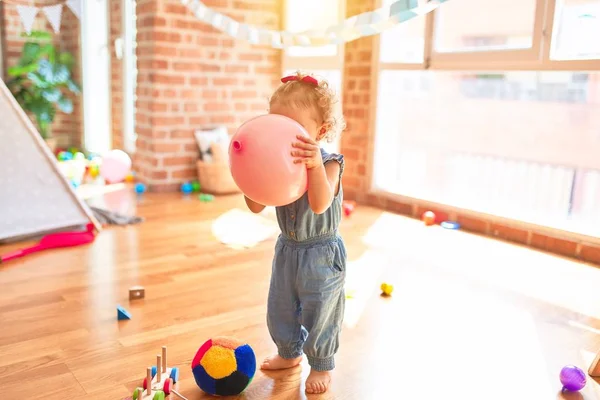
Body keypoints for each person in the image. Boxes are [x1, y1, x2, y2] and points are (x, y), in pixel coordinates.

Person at [244, 72, 347, 394]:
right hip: (287, 249)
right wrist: (250, 169)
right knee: (280, 307)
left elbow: (319, 204)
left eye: (296, 130)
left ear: (322, 131)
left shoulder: (329, 164)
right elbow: (255, 205)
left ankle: (320, 364)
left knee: (321, 312)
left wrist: (314, 166)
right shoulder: (275, 162)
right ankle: (288, 354)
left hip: (321, 254)